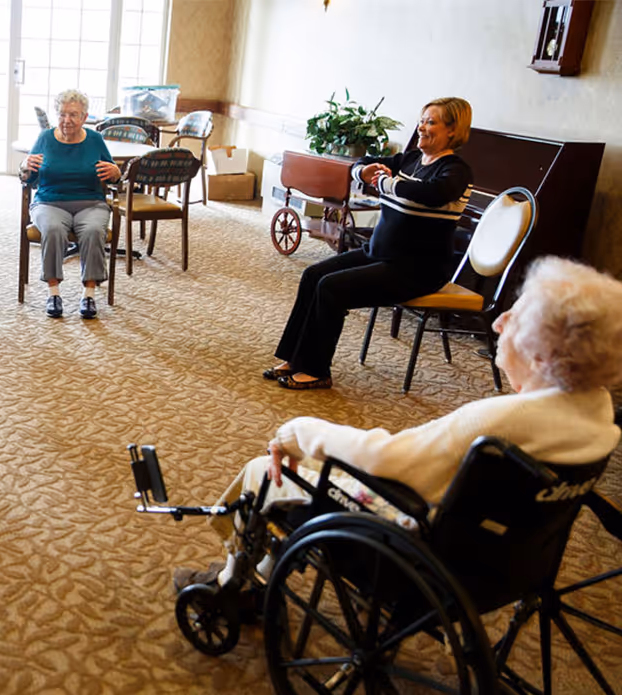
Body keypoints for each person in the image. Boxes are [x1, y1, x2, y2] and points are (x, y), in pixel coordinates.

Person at [177, 256, 622, 591]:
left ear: (543, 354)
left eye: (517, 316)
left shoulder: (499, 422)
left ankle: (234, 583)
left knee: (266, 473)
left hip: (418, 551)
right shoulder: (598, 410)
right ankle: (262, 572)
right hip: (505, 560)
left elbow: (386, 459)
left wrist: (295, 431)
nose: (499, 320)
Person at [265, 97, 475, 390]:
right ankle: (294, 358)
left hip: (417, 269)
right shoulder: (411, 159)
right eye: (422, 119)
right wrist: (361, 172)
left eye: (432, 122)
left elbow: (434, 193)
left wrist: (385, 184)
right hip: (379, 253)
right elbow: (364, 163)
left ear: (453, 130)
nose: (422, 127)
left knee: (331, 288)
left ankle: (316, 370)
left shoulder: (455, 170)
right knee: (313, 275)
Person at [23, 89, 121, 320]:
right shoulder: (45, 138)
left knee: (93, 231)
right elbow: (29, 176)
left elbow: (112, 176)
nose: (67, 120)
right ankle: (53, 293)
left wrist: (117, 173)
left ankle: (89, 295)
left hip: (91, 203)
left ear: (85, 117)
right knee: (54, 229)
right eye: (62, 114)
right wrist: (24, 168)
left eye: (74, 115)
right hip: (49, 201)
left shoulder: (95, 140)